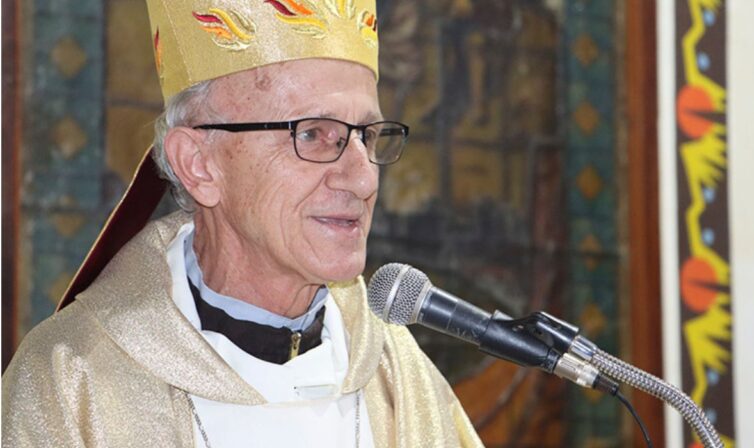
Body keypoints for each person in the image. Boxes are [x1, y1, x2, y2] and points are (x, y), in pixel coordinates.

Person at [2, 0, 483, 446]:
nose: (363, 178)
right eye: (313, 134)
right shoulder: (73, 384)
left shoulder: (398, 375)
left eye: (369, 136)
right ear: (198, 165)